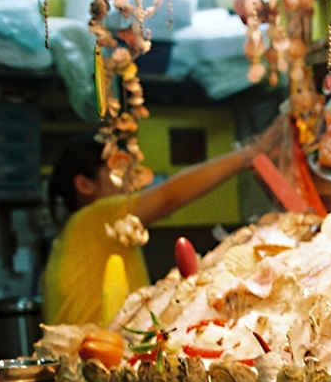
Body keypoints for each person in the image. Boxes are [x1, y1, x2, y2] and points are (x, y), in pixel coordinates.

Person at [42, 116, 287, 326]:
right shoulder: (93, 219)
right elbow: (169, 196)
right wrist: (252, 151)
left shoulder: (76, 236)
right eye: (117, 173)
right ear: (85, 185)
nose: (131, 182)